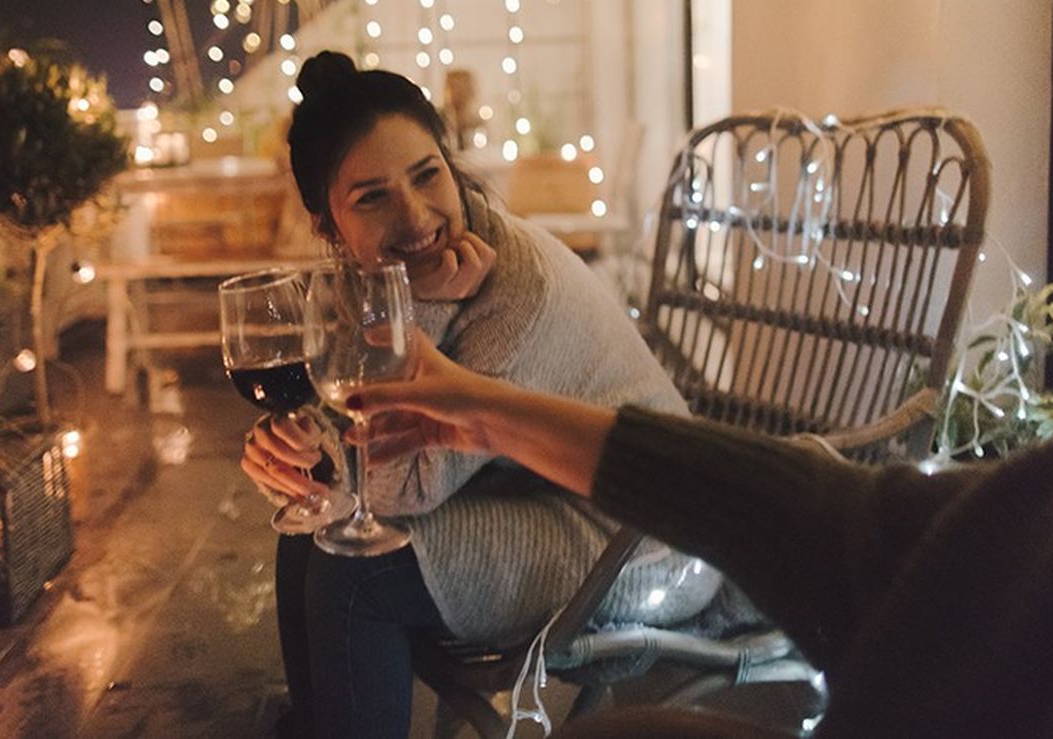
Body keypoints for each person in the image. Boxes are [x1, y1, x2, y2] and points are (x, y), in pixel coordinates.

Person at [351, 0, 1053, 738]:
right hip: (636, 513)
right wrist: (490, 411)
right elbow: (856, 528)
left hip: (620, 553)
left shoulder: (513, 275)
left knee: (366, 579)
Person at [239, 51, 721, 738]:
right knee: (313, 528)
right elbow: (352, 427)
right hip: (535, 498)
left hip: (639, 534)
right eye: (371, 196)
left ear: (450, 161)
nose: (415, 216)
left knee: (357, 576)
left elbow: (403, 484)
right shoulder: (375, 280)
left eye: (426, 174)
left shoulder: (512, 284)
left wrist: (423, 311)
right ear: (328, 226)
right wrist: (300, 456)